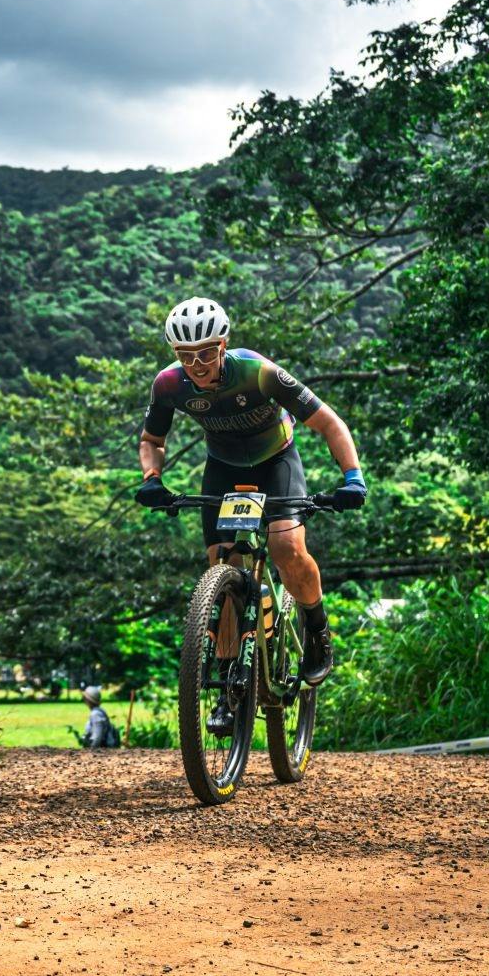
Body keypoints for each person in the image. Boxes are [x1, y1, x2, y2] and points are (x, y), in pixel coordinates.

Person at [132, 297, 366, 731]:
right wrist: (151, 477)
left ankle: (316, 631)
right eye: (187, 355)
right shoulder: (169, 385)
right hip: (222, 469)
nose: (197, 363)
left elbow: (329, 423)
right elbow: (152, 439)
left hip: (276, 461)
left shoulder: (259, 372)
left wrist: (352, 478)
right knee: (223, 564)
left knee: (284, 546)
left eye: (206, 352)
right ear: (175, 355)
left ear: (223, 345)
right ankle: (227, 688)